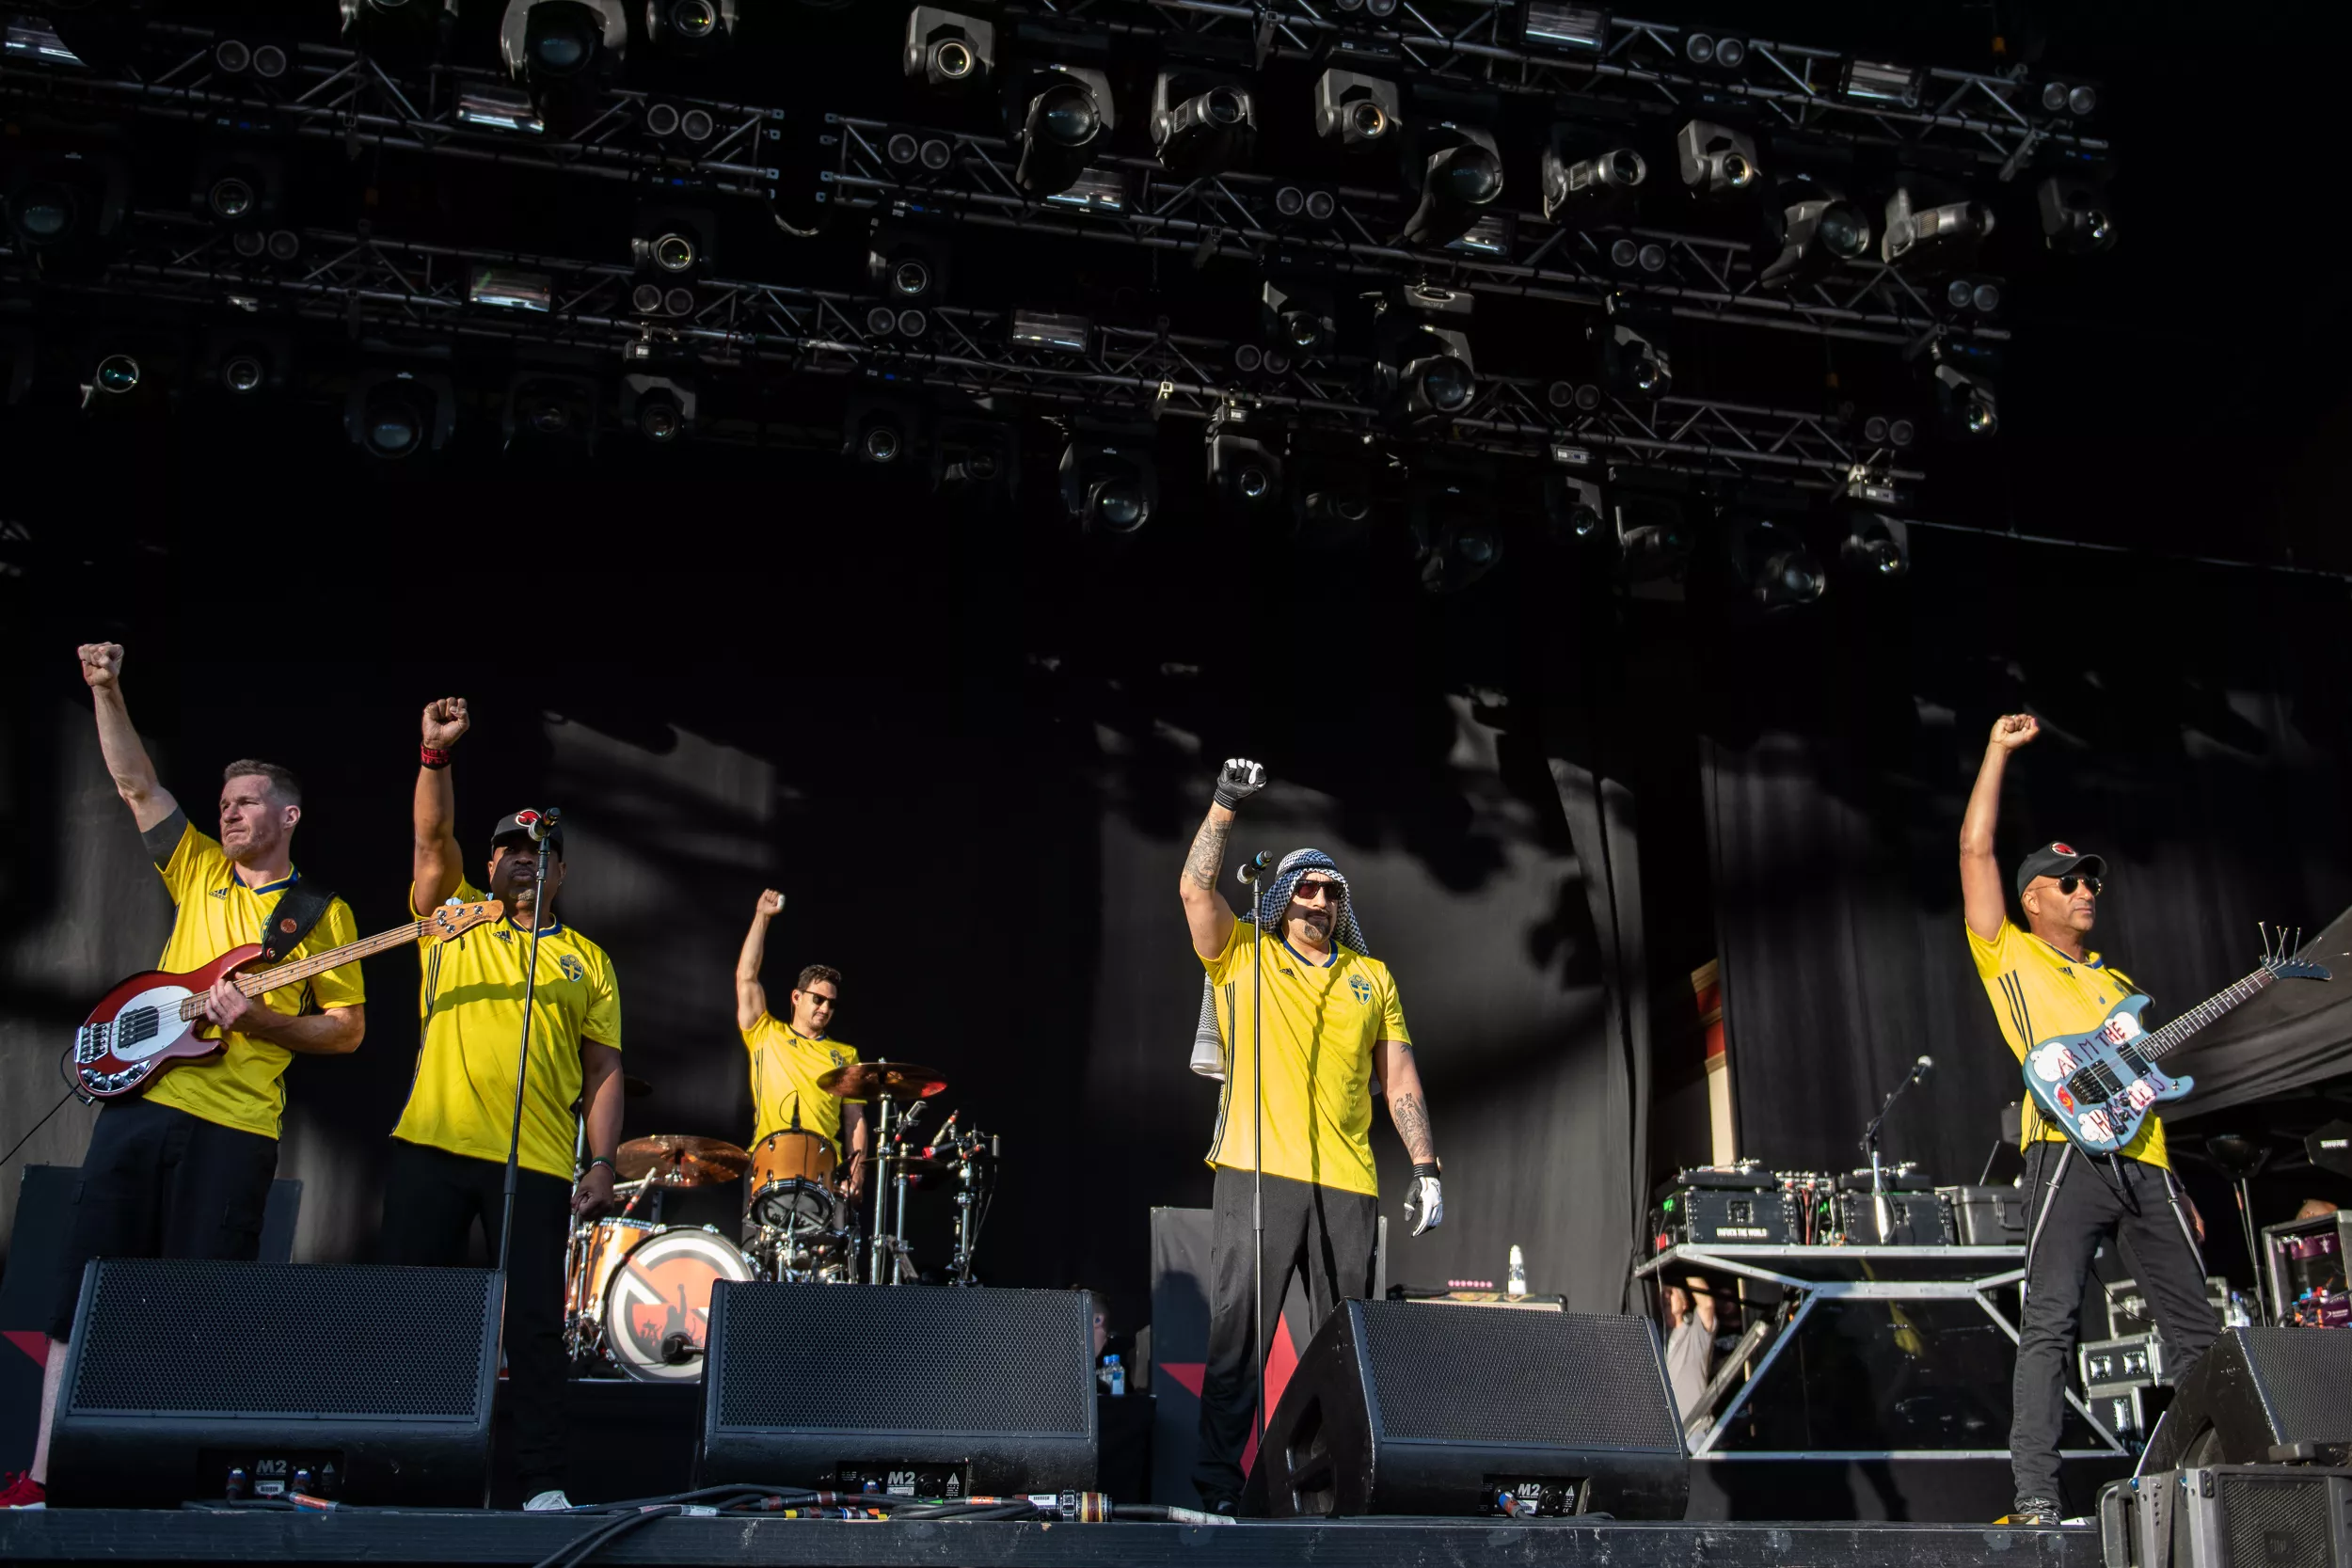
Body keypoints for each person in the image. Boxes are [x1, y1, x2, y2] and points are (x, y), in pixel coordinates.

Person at [6, 643, 368, 1513]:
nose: (229, 811)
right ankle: (43, 1473)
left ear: (289, 814)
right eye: (224, 801)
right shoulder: (201, 867)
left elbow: (348, 1029)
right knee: (82, 1291)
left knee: (204, 1307)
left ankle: (184, 1484)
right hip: (144, 1104)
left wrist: (267, 1021)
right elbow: (136, 784)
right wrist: (105, 687)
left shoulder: (322, 915)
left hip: (237, 1128)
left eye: (247, 801)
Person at [1961, 712, 2217, 1525]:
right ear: (2032, 898)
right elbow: (1974, 850)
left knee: (2196, 1331)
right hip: (2064, 1154)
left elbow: (2145, 1090)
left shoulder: (2119, 986)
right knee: (2051, 1323)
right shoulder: (2009, 951)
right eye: (2067, 882)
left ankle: (2214, 1476)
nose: (2084, 891)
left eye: (2090, 882)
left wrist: (2175, 1181)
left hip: (2147, 1162)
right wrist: (1996, 752)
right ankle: (2037, 1493)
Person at [1179, 756, 1444, 1513]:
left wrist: (1426, 1165)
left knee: (1344, 1354)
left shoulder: (1372, 976)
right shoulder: (1243, 951)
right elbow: (1195, 889)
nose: (1321, 900)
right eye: (1307, 886)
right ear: (1284, 894)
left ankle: (1329, 1501)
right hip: (1257, 1169)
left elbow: (1399, 1076)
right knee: (1238, 1343)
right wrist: (1225, 804)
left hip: (1348, 1182)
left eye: (1333, 891)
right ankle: (1216, 1494)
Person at [379, 696, 624, 1513]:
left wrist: (601, 1160)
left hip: (537, 1160)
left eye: (540, 851)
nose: (525, 860)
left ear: (562, 871)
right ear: (488, 865)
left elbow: (604, 1068)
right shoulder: (451, 922)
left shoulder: (588, 960)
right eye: (510, 850)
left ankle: (543, 1481)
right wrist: (435, 756)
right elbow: (430, 840)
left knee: (536, 1328)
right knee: (412, 1312)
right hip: (433, 1145)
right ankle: (400, 1468)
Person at [735, 890, 867, 1219]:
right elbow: (746, 977)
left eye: (831, 1003)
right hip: (767, 1163)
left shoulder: (845, 1054)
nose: (825, 1008)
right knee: (760, 1249)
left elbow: (854, 1119)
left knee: (825, 1252)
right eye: (818, 999)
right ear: (796, 997)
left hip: (825, 1171)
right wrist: (762, 917)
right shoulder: (765, 1033)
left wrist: (857, 1174)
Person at [1661, 1275, 1718, 1433]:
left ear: (1685, 1303)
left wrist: (1685, 1270)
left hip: (1695, 1431)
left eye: (1671, 1292)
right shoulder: (1656, 1336)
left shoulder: (1695, 1331)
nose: (1666, 1296)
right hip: (1667, 1435)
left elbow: (1707, 1304)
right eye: (1663, 1293)